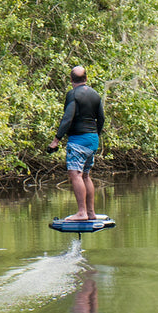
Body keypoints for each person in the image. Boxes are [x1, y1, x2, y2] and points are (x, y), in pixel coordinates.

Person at [51, 65, 105, 221]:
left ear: (71, 80)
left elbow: (68, 118)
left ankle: (82, 212)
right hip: (92, 140)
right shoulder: (95, 94)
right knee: (86, 175)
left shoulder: (73, 94)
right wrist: (95, 134)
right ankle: (91, 213)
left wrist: (56, 140)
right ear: (86, 78)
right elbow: (101, 119)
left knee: (75, 174)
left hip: (78, 140)